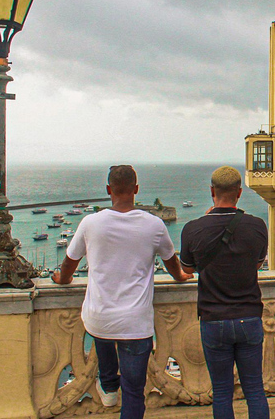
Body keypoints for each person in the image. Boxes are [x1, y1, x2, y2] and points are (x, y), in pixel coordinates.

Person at [52, 165, 191, 419]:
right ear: (136, 190)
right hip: (135, 323)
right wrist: (182, 276)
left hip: (99, 318)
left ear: (108, 190)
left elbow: (69, 264)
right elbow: (173, 264)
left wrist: (62, 279)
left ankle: (108, 387)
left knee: (102, 336)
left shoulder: (90, 223)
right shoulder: (154, 225)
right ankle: (115, 391)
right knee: (134, 392)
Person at [180, 166, 269, 419]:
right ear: (239, 193)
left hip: (213, 318)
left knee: (221, 392)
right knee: (254, 389)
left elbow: (187, 267)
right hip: (249, 316)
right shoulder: (257, 226)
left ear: (212, 192)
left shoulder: (192, 229)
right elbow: (256, 264)